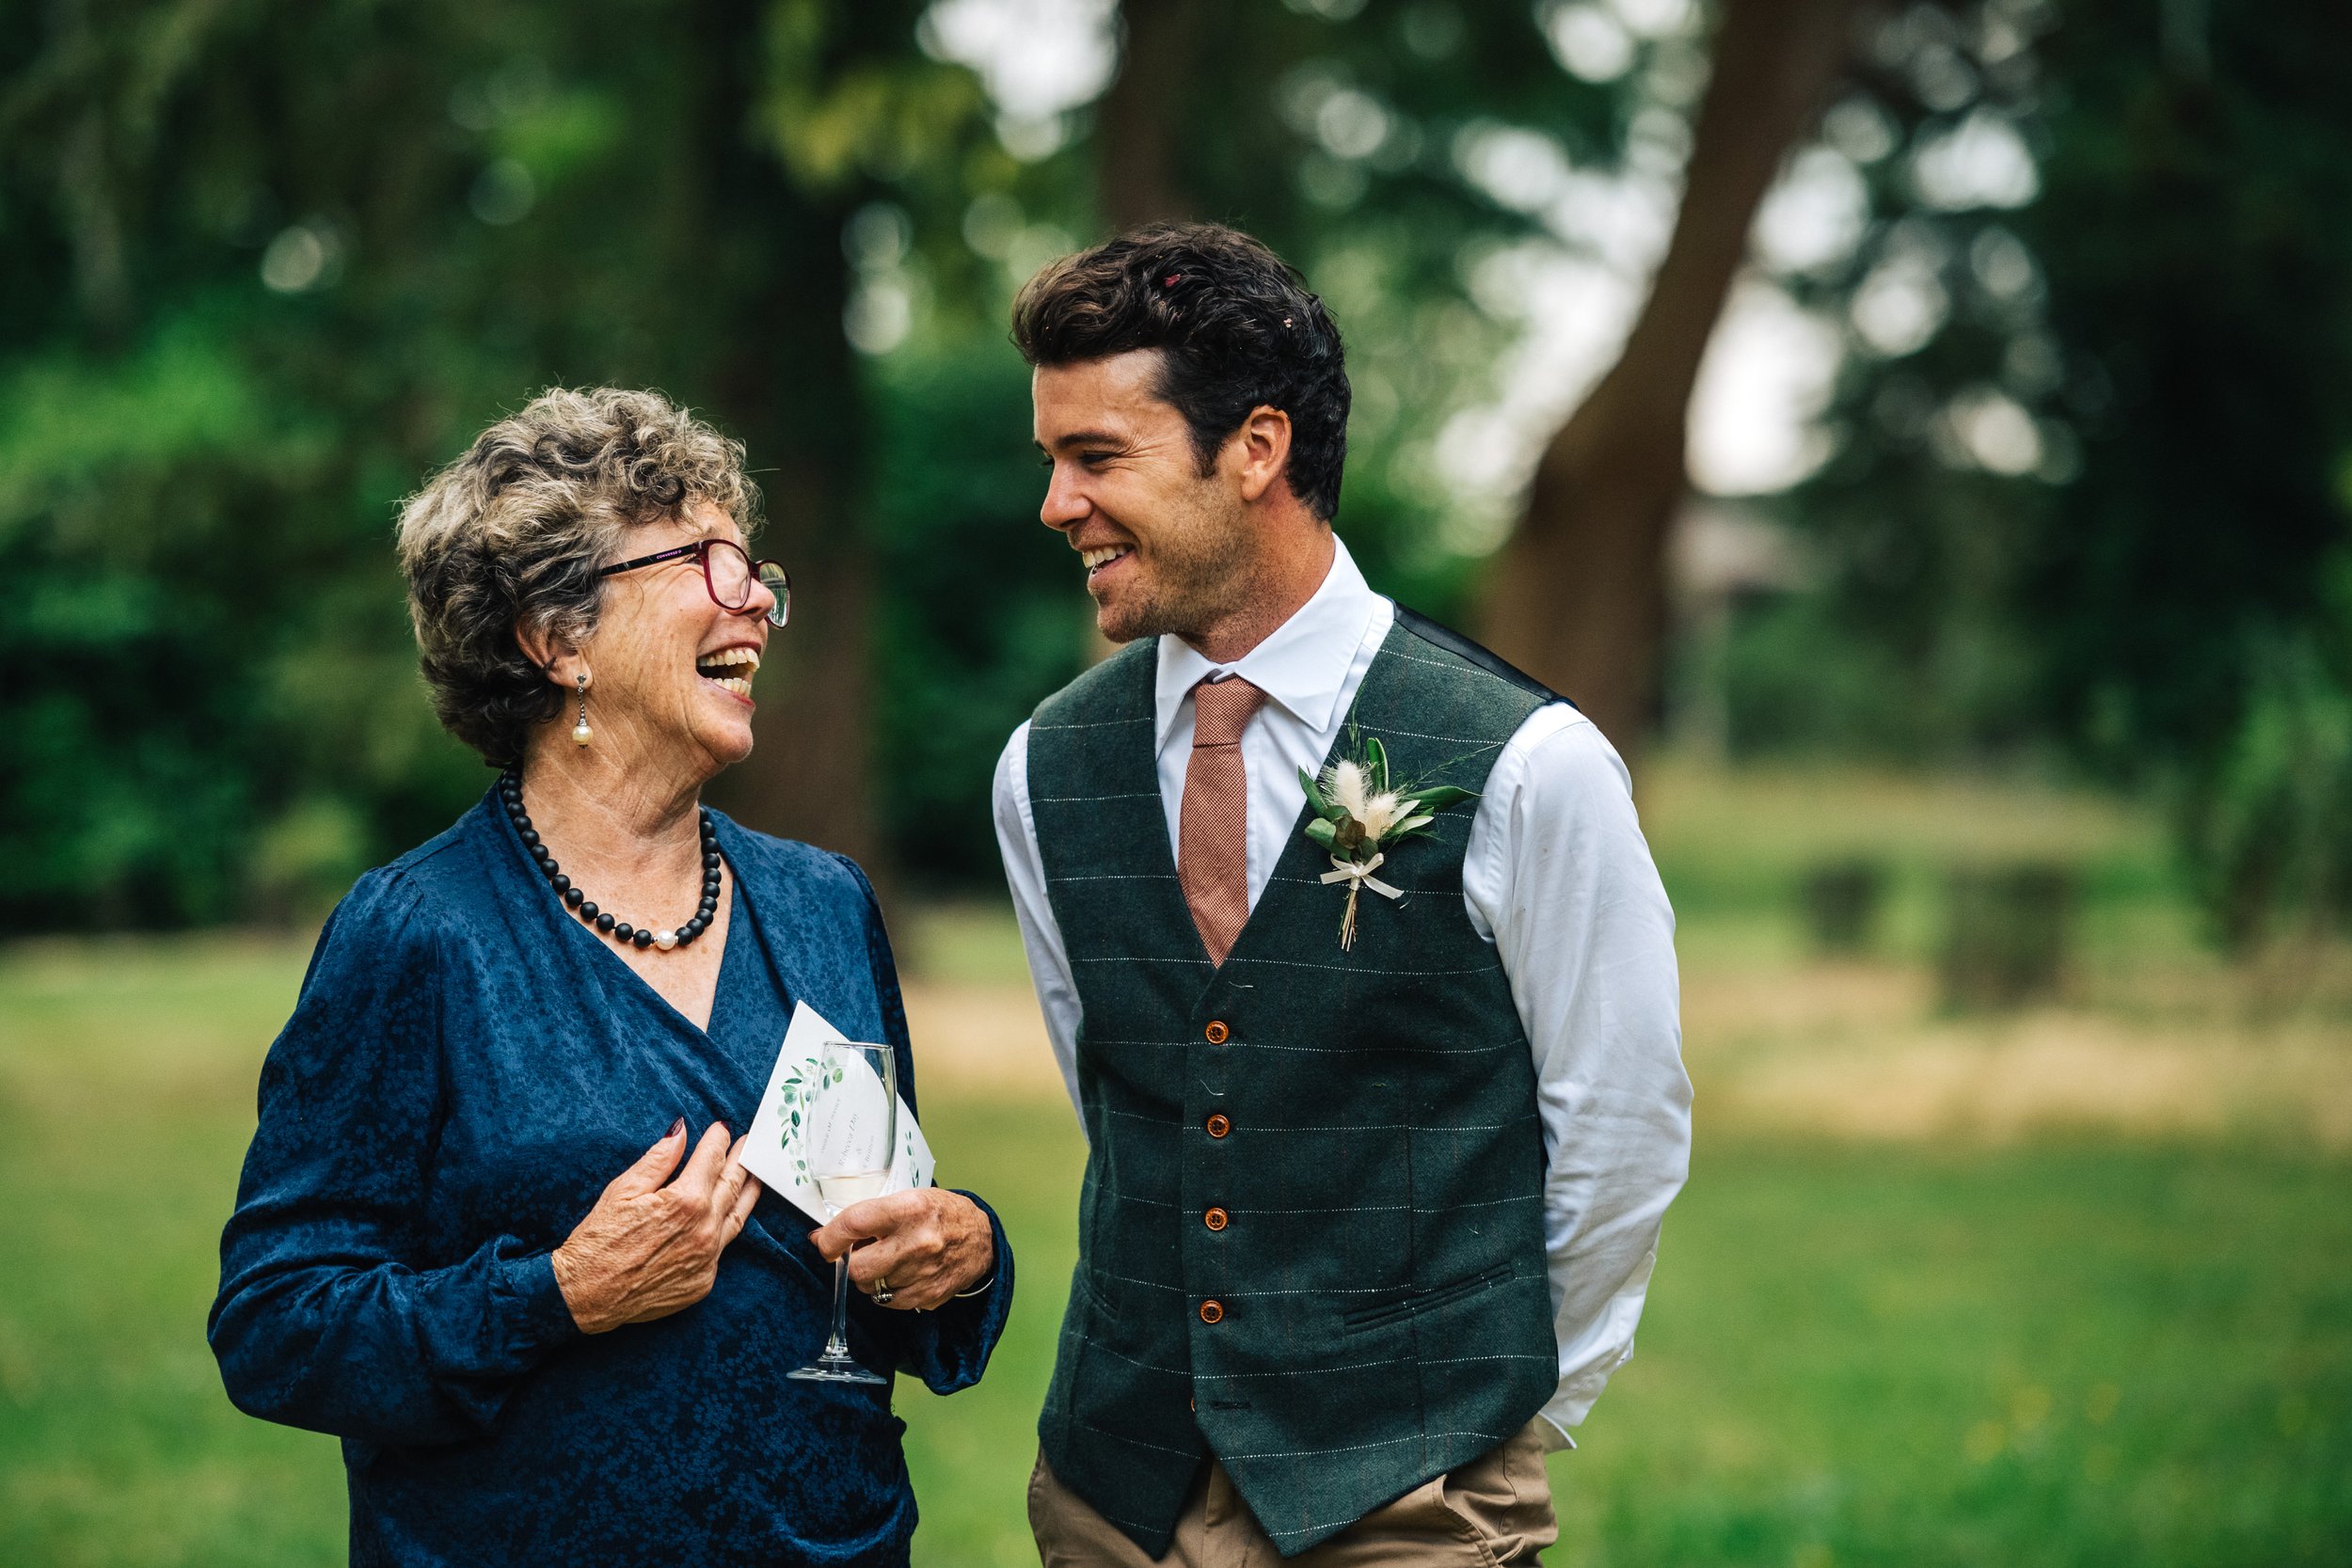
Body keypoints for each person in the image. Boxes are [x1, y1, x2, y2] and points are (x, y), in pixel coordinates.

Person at [210, 388, 1009, 1567]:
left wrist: (961, 1250)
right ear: (555, 636)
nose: (756, 603)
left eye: (759, 571)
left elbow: (881, 1241)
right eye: (705, 559)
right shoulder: (418, 933)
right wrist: (559, 1294)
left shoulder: (822, 903)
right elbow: (277, 1324)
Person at [993, 225, 1692, 1565]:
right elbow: (1125, 1094)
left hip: (1413, 1504)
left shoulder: (1529, 764)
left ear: (1255, 449)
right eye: (1051, 462)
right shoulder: (1045, 770)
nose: (1056, 504)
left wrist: (1480, 1421)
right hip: (1111, 1488)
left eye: (1097, 458)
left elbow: (1620, 1126)